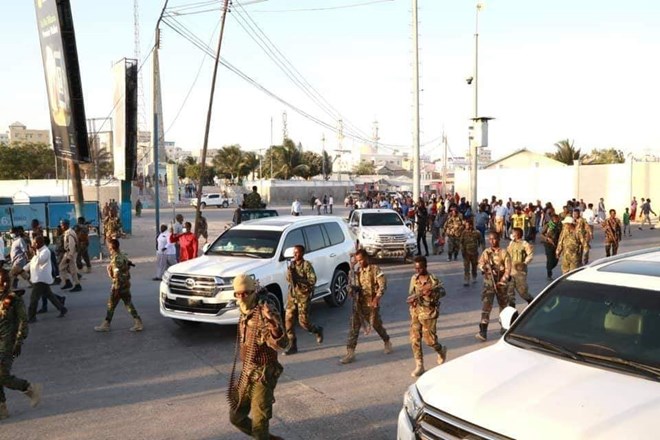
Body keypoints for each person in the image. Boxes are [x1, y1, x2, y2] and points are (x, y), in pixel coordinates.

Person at [227, 274, 287, 440]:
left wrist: (273, 325)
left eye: (245, 293)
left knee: (260, 424)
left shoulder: (266, 311)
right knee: (236, 417)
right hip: (248, 371)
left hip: (264, 374)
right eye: (238, 294)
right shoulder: (244, 309)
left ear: (253, 292)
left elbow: (283, 344)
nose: (241, 297)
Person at [0, 268, 42, 420]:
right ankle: (2, 408)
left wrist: (19, 340)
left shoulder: (14, 299)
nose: (4, 284)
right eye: (1, 281)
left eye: (6, 280)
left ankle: (29, 388)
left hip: (8, 342)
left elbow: (23, 321)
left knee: (2, 375)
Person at [340, 249, 393, 364]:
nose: (359, 262)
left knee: (376, 325)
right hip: (358, 303)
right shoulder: (356, 271)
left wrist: (376, 298)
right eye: (357, 260)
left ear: (366, 258)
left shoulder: (374, 269)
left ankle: (386, 340)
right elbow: (350, 285)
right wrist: (351, 290)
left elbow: (383, 285)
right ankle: (350, 353)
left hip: (370, 304)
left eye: (361, 260)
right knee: (354, 328)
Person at [407, 256, 448, 377]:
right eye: (415, 268)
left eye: (419, 268)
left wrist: (432, 293)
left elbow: (443, 292)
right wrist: (412, 300)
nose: (417, 271)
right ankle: (419, 365)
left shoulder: (433, 280)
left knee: (430, 341)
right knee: (414, 339)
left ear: (425, 266)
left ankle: (440, 350)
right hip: (415, 312)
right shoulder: (414, 278)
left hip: (428, 314)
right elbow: (411, 293)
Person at [93, 239, 143, 332]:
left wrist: (115, 286)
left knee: (111, 305)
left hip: (119, 285)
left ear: (111, 248)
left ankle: (106, 324)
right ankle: (138, 322)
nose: (108, 248)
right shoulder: (122, 255)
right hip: (125, 284)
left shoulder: (116, 259)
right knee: (128, 303)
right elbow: (128, 265)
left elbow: (117, 274)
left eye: (109, 247)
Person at [283, 245, 323, 355]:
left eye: (297, 252)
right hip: (292, 296)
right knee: (288, 321)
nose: (295, 255)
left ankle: (317, 330)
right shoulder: (292, 265)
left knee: (303, 322)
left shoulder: (306, 265)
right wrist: (290, 274)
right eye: (294, 252)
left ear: (302, 253)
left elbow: (312, 280)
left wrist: (299, 278)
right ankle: (292, 345)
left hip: (303, 297)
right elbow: (288, 279)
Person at [475, 231, 511, 342]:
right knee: (486, 307)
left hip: (501, 284)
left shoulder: (504, 253)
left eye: (494, 239)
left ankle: (504, 327)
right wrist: (484, 267)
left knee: (503, 306)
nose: (492, 241)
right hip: (489, 284)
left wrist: (502, 281)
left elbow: (508, 270)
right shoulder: (486, 252)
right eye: (490, 239)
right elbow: (480, 263)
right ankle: (483, 331)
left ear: (498, 239)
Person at [23, 236, 67, 322]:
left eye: (34, 243)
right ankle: (62, 309)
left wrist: (34, 252)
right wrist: (23, 269)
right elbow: (32, 262)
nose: (33, 245)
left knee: (34, 299)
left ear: (39, 243)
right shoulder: (38, 251)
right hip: (38, 278)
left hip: (41, 278)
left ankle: (31, 317)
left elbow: (40, 261)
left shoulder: (45, 251)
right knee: (50, 295)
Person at [507, 227, 534, 305]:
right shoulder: (511, 243)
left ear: (518, 234)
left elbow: (530, 254)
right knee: (509, 290)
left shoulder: (524, 244)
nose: (512, 234)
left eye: (513, 233)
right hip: (510, 270)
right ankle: (512, 306)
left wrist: (525, 263)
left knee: (522, 291)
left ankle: (531, 302)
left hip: (520, 271)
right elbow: (507, 254)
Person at [59, 219, 82, 292]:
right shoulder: (69, 232)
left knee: (70, 269)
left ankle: (76, 284)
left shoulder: (69, 233)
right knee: (65, 268)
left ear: (66, 225)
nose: (61, 227)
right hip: (69, 253)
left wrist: (69, 256)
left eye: (62, 225)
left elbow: (72, 245)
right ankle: (68, 282)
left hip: (70, 253)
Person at [459, 219, 481, 286]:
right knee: (466, 267)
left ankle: (474, 276)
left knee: (474, 266)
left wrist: (479, 247)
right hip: (466, 253)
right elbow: (461, 242)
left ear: (471, 225)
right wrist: (462, 250)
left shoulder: (477, 232)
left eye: (468, 225)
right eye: (466, 225)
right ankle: (467, 279)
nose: (466, 226)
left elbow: (480, 240)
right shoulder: (464, 232)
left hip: (474, 253)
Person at [541, 213, 562, 280]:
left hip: (556, 244)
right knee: (550, 259)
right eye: (555, 219)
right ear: (552, 219)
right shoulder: (548, 225)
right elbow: (542, 234)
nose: (557, 220)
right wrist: (547, 238)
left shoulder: (560, 225)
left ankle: (549, 267)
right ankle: (549, 273)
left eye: (557, 219)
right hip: (548, 244)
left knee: (556, 259)